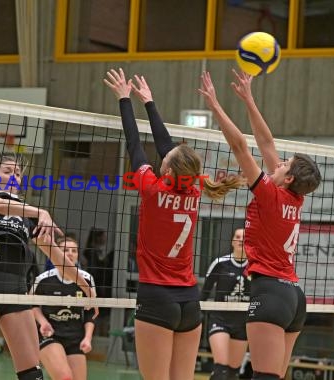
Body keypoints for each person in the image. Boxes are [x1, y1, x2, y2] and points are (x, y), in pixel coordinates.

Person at [104, 68, 244, 380]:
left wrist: (125, 100)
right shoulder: (194, 190)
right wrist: (149, 103)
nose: (162, 157)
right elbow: (167, 147)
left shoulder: (153, 189)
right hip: (188, 300)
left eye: (166, 159)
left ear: (168, 170)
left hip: (156, 297)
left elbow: (134, 144)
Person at [199, 70, 322, 380]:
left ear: (289, 178)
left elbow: (241, 147)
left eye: (283, 165)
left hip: (269, 293)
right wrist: (249, 100)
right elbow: (265, 142)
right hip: (294, 297)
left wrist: (215, 106)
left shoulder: (269, 194)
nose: (277, 163)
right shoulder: (293, 197)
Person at [0, 145, 96, 380]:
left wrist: (85, 287)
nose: (14, 176)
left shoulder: (25, 217)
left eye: (18, 173)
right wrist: (40, 211)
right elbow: (1, 205)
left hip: (16, 291)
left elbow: (57, 257)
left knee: (32, 375)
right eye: (7, 171)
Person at [31, 235, 97, 380]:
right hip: (50, 335)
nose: (70, 254)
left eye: (74, 250)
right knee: (65, 377)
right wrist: (43, 322)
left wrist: (87, 338)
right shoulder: (44, 279)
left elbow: (90, 312)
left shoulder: (86, 279)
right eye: (65, 250)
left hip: (75, 338)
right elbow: (32, 305)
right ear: (57, 254)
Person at [201, 228, 250, 380]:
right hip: (220, 320)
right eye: (237, 237)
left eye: (244, 237)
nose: (241, 240)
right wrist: (198, 316)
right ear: (232, 241)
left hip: (242, 324)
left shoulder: (256, 266)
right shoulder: (220, 263)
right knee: (221, 370)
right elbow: (204, 293)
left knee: (232, 373)